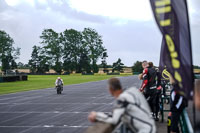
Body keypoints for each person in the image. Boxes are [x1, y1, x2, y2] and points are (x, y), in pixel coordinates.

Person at [88, 78, 156, 133]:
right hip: (150, 127)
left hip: (145, 130)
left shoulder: (122, 99)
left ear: (110, 89)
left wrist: (96, 115)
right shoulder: (133, 91)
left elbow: (114, 119)